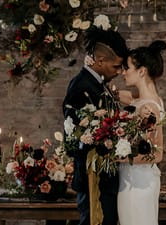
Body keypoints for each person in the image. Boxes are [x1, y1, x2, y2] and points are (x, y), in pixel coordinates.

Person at [62, 27, 128, 225]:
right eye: (116, 66)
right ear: (100, 61)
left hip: (104, 178)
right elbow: (75, 135)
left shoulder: (97, 83)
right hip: (94, 178)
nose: (119, 72)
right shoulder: (82, 85)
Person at [117, 40, 166, 225]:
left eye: (127, 67)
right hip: (132, 179)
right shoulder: (145, 100)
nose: (123, 72)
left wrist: (116, 157)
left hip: (138, 183)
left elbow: (157, 154)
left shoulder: (149, 107)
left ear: (141, 71)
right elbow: (128, 97)